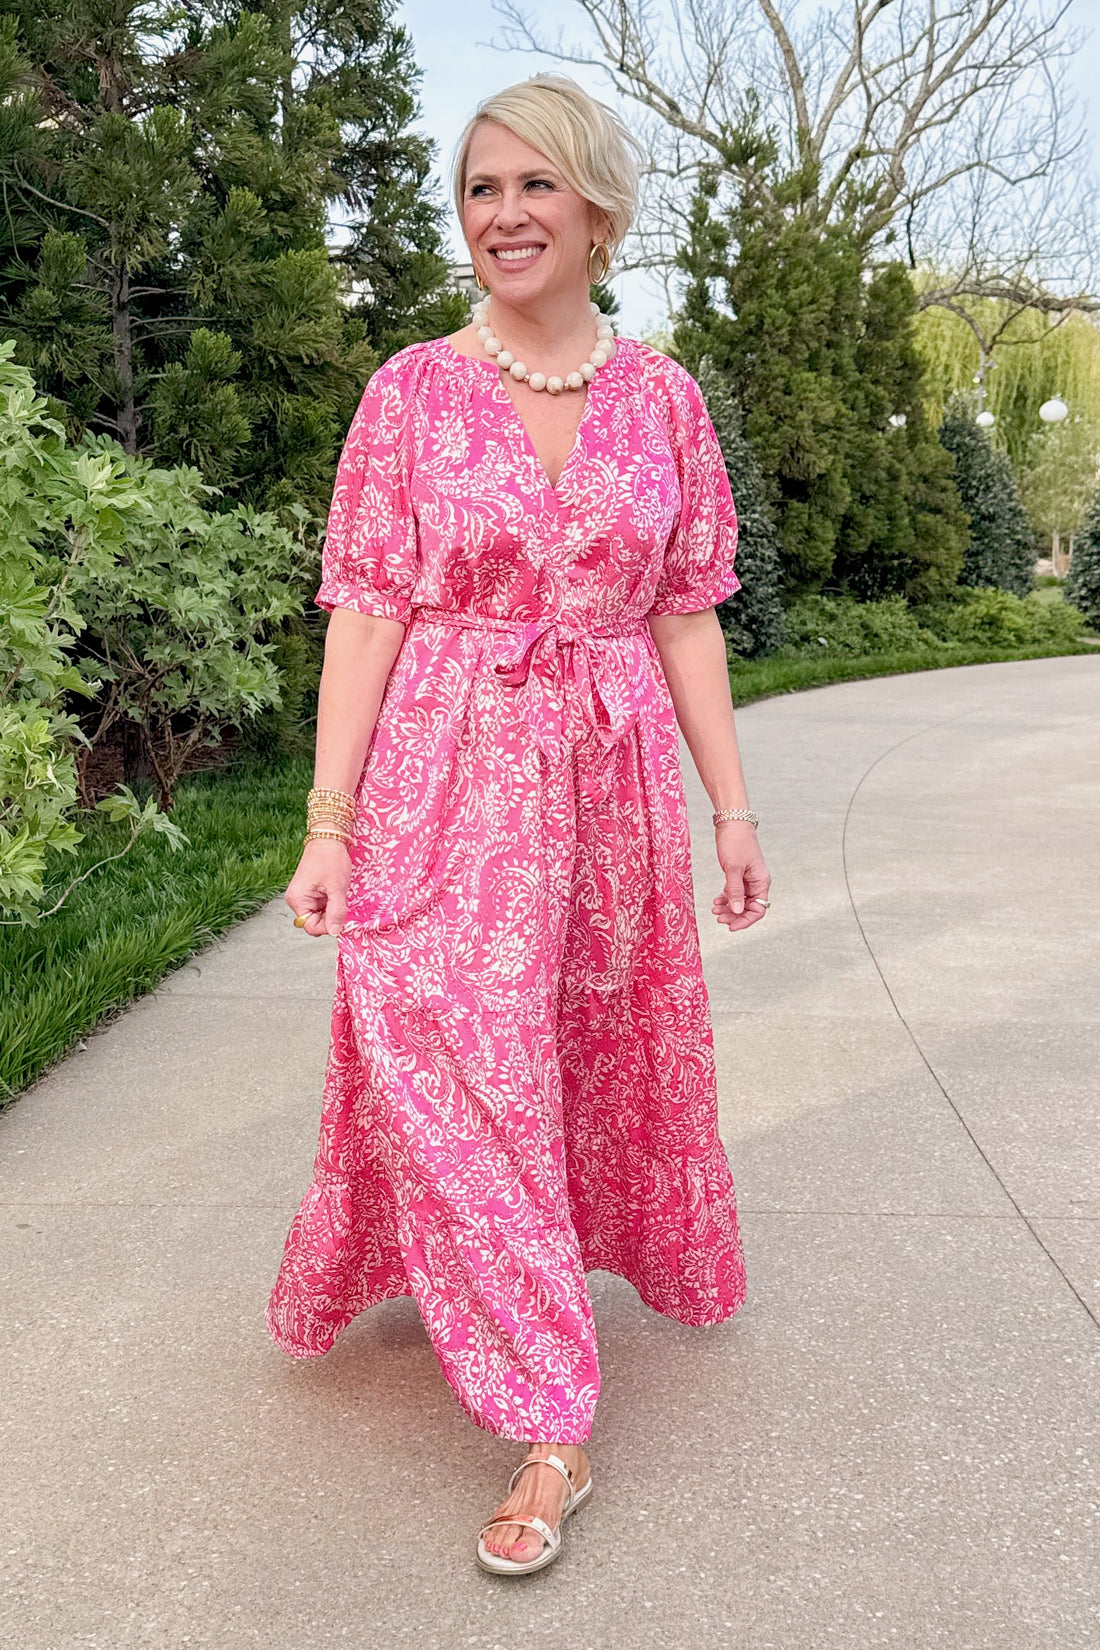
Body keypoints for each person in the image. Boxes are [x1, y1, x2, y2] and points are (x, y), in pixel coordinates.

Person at [266, 71, 772, 1577]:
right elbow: (363, 614)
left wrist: (731, 811)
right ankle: (553, 1416)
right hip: (442, 775)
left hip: (606, 787)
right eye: (481, 191)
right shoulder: (411, 392)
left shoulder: (663, 398)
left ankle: (484, 1274)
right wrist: (327, 823)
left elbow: (686, 618)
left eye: (534, 186)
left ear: (598, 207)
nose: (504, 216)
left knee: (578, 1051)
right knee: (448, 1048)